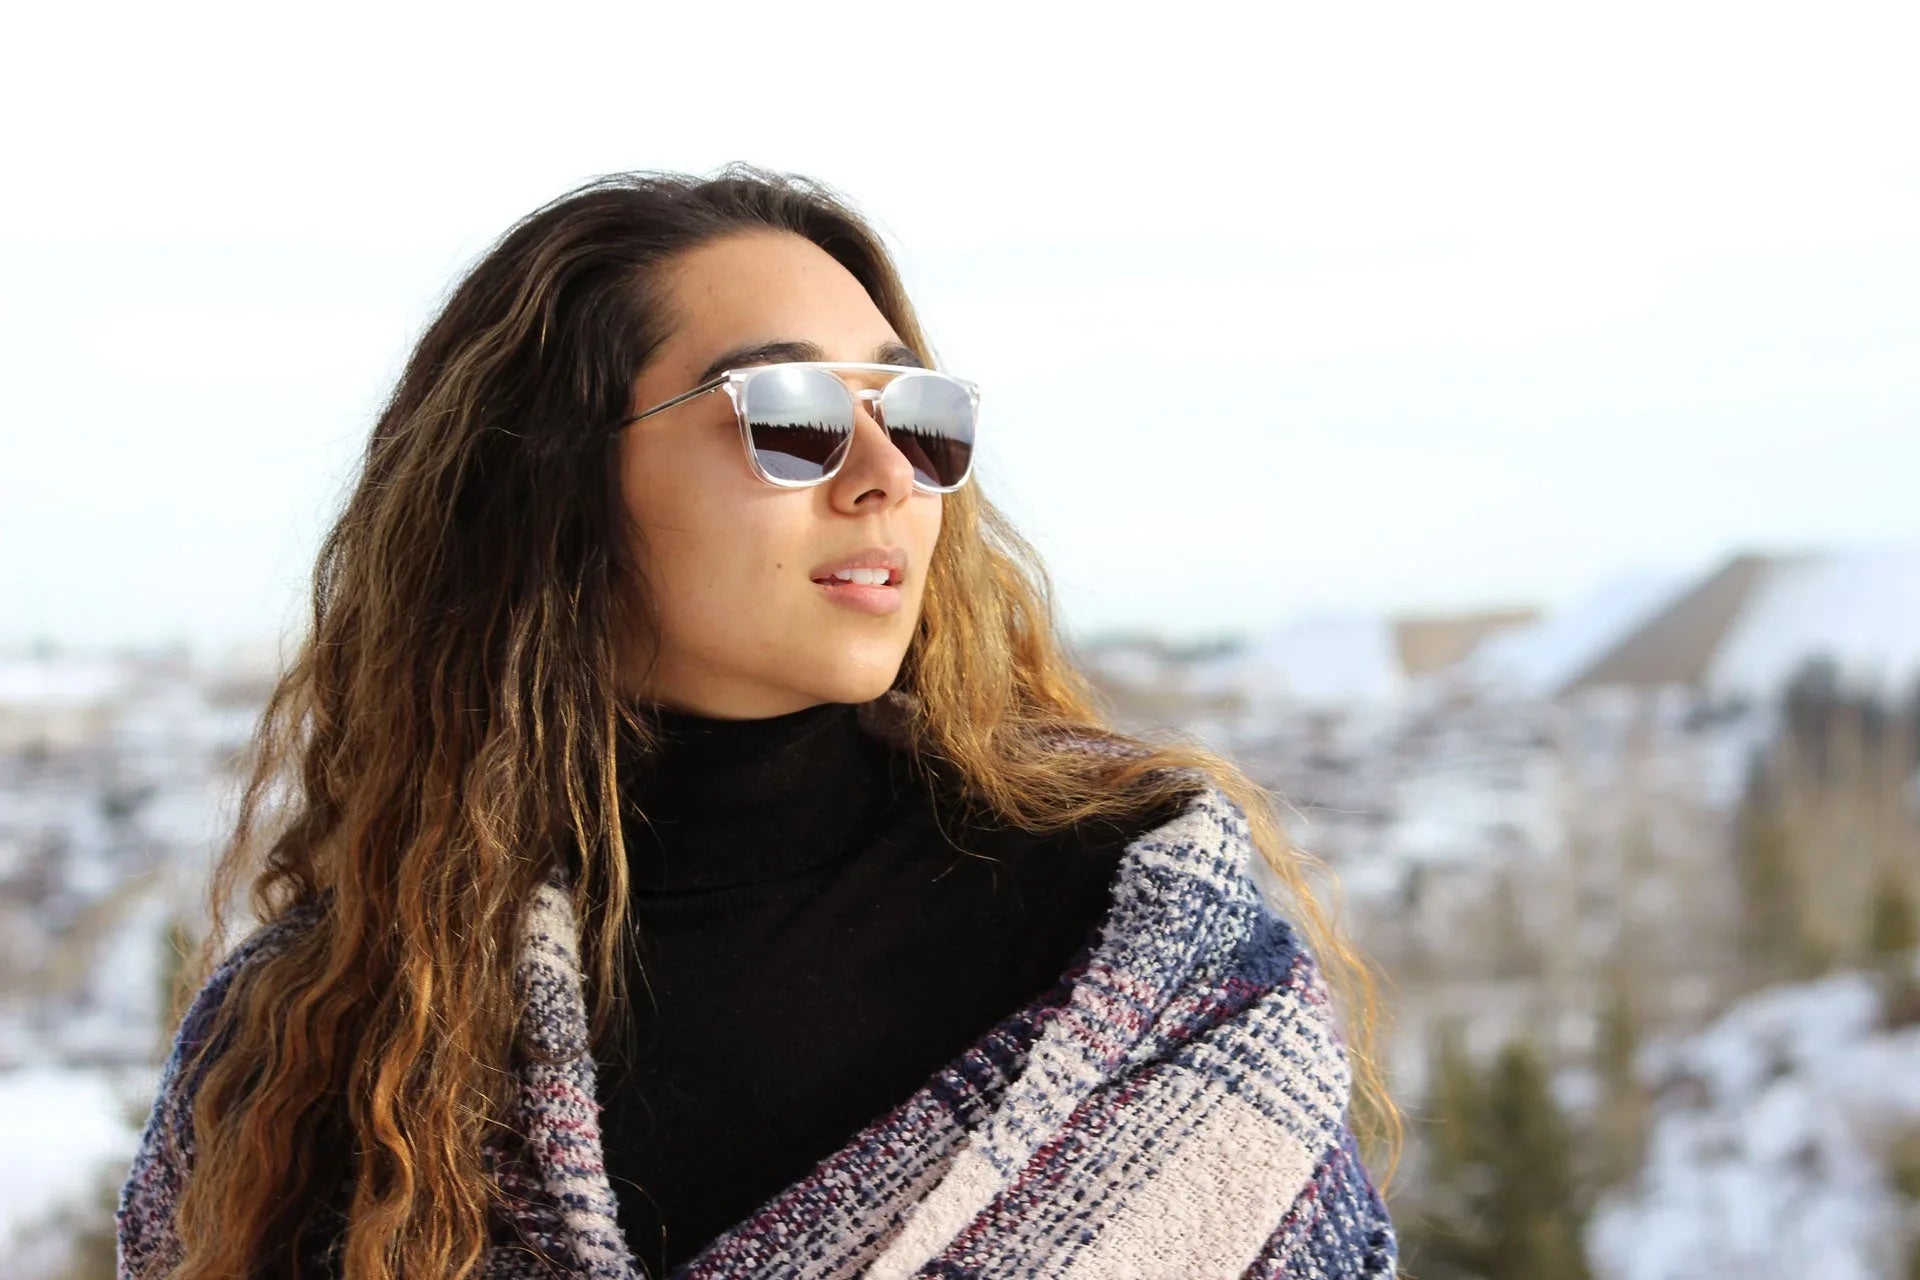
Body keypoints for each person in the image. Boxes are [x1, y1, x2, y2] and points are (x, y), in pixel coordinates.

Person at [115, 164, 1401, 1279]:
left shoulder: (1141, 949)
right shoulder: (322, 1034)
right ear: (552, 482)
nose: (884, 474)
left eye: (917, 416)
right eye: (792, 417)